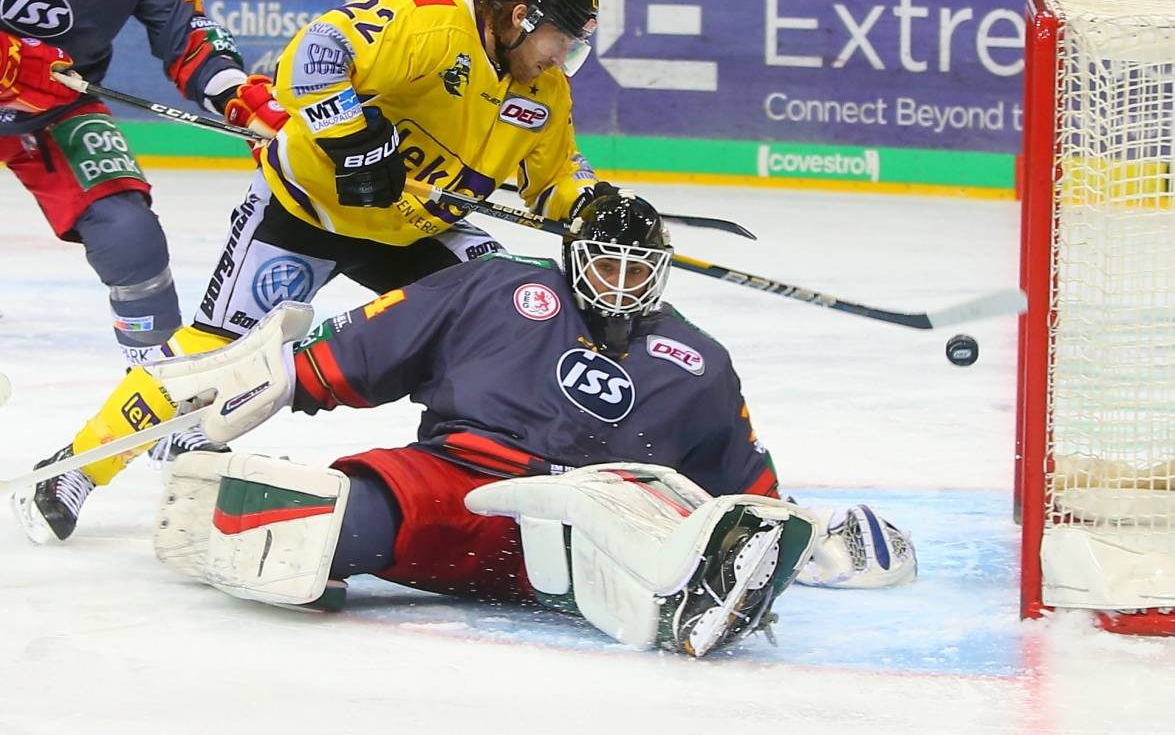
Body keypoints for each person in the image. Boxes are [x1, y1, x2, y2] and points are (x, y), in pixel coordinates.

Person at [18, 193, 917, 656]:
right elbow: (355, 352)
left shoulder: (699, 360)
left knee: (657, 540)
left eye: (638, 266)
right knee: (316, 526)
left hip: (598, 514)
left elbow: (744, 490)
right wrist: (275, 376)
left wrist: (801, 533)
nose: (619, 281)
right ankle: (670, 596)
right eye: (604, 261)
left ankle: (688, 602)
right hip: (460, 486)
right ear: (574, 256)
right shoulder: (495, 287)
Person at [13, 0, 622, 537]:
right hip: (307, 210)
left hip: (413, 230)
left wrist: (597, 204)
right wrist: (352, 139)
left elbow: (557, 172)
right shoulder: (430, 23)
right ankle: (75, 470)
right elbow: (316, 53)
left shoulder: (544, 91)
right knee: (211, 353)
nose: (561, 58)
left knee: (513, 313)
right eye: (560, 41)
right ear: (521, 17)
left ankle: (486, 474)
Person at [0, 0, 258, 367]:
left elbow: (188, 34)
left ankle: (159, 402)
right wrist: (11, 58)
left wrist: (237, 94)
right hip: (28, 89)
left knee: (130, 237)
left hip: (54, 109)